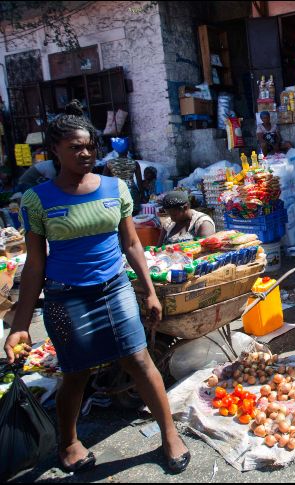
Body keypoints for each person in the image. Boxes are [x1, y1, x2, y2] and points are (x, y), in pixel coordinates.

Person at [3, 101, 190, 474]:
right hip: (67, 297)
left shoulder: (115, 187)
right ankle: (69, 442)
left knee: (139, 360)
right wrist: (21, 324)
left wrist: (150, 290)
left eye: (89, 145)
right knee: (76, 371)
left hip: (115, 288)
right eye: (75, 146)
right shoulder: (37, 199)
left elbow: (132, 244)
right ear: (55, 149)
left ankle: (169, 435)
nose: (85, 152)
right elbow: (36, 262)